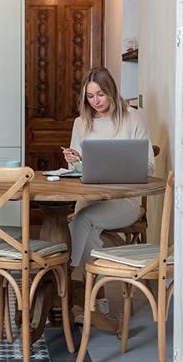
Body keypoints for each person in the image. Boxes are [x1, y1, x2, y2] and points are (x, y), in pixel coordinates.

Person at [63, 67, 155, 267]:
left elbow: (148, 167)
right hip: (89, 199)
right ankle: (95, 291)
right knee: (81, 221)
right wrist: (76, 160)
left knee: (81, 222)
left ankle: (68, 274)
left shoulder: (134, 118)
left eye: (100, 94)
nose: (95, 101)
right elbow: (76, 171)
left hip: (126, 201)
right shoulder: (81, 122)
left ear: (111, 91)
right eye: (89, 96)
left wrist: (123, 165)